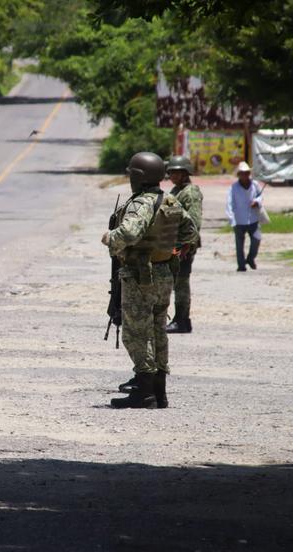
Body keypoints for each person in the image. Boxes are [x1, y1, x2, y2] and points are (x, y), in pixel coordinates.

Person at [102, 152, 198, 409]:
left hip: (139, 277)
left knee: (136, 333)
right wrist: (167, 249)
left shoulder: (141, 203)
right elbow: (190, 232)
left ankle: (143, 393)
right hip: (165, 275)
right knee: (158, 332)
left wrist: (109, 237)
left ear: (138, 177)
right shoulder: (170, 201)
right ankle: (159, 392)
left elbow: (129, 232)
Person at [165, 155, 203, 334]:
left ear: (185, 173)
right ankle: (181, 320)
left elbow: (194, 221)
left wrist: (187, 245)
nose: (172, 175)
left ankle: (181, 320)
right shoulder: (176, 191)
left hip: (184, 246)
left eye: (176, 172)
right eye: (170, 172)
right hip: (174, 244)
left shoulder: (190, 192)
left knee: (180, 283)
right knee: (176, 282)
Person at [226, 161, 264, 271]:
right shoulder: (233, 188)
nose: (245, 175)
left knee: (256, 240)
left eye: (247, 173)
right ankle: (241, 265)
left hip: (253, 218)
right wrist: (231, 218)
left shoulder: (255, 185)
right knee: (239, 244)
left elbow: (260, 196)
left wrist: (256, 201)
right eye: (242, 173)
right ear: (238, 175)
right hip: (239, 219)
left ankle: (251, 258)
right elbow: (229, 203)